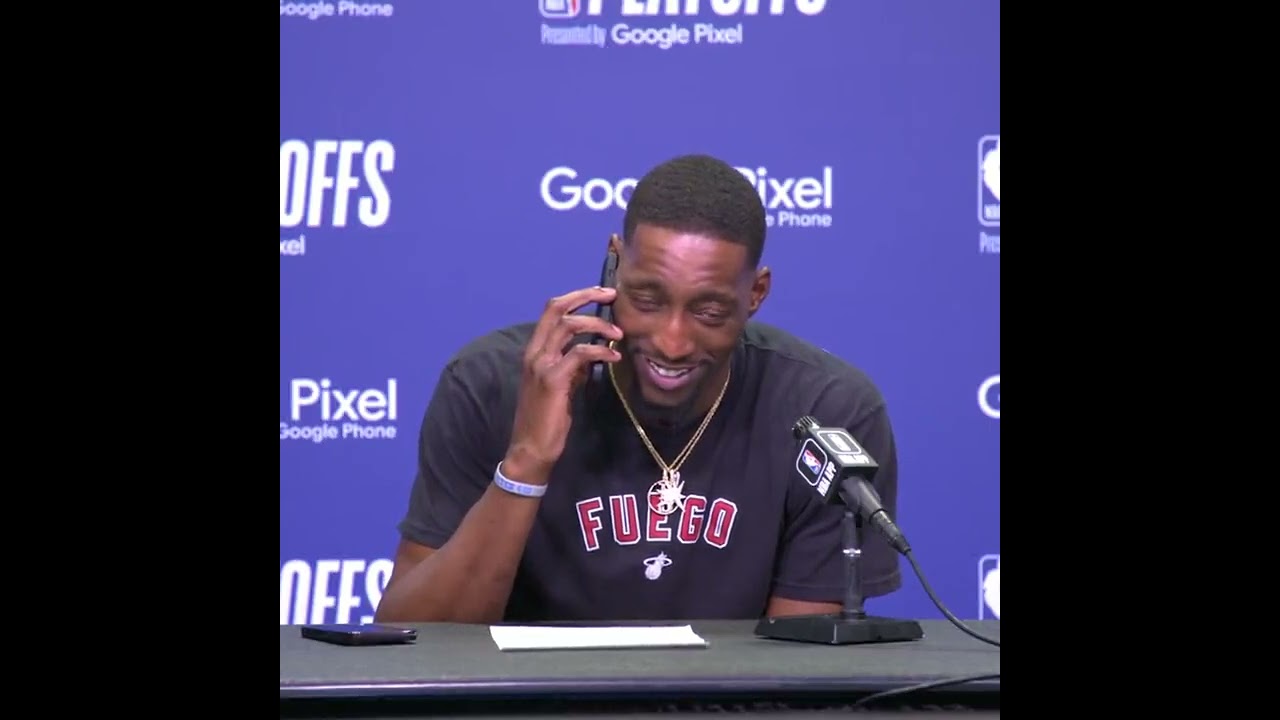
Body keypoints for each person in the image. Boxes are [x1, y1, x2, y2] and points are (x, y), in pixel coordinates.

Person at [374, 154, 903, 624]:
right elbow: (417, 640)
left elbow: (798, 683)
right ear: (614, 260)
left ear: (757, 292)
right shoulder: (489, 384)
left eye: (710, 311)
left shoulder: (826, 413)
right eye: (647, 299)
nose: (672, 342)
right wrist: (527, 460)